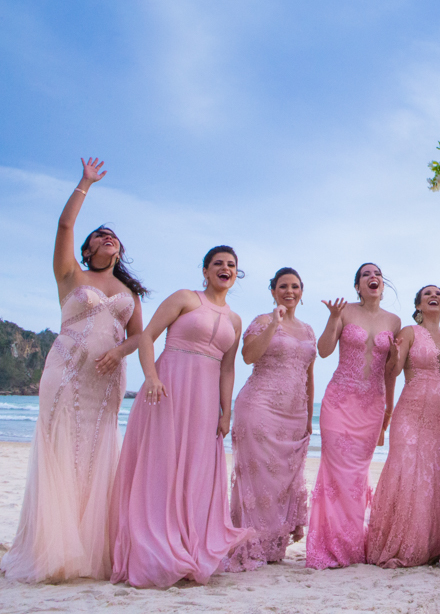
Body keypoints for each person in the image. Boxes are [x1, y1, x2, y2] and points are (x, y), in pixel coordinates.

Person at [1, 158, 146, 583]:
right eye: (101, 236)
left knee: (97, 454)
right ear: (87, 249)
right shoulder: (70, 274)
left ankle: (88, 547)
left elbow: (141, 336)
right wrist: (85, 183)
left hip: (105, 382)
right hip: (65, 372)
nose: (109, 239)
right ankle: (49, 546)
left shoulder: (128, 292)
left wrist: (119, 353)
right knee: (60, 449)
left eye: (114, 237)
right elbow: (64, 228)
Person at [108, 246, 250, 588]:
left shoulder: (235, 319)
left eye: (231, 265)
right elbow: (146, 337)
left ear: (236, 274)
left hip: (204, 401)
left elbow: (228, 368)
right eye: (218, 263)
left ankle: (188, 545)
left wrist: (225, 411)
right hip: (168, 389)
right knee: (161, 466)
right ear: (205, 270)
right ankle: (155, 547)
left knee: (196, 471)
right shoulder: (185, 298)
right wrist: (151, 378)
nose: (225, 268)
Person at [306, 263, 400, 569]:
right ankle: (328, 545)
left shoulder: (395, 321)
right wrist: (333, 319)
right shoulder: (345, 312)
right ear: (358, 286)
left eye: (377, 275)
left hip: (372, 405)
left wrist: (387, 414)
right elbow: (323, 351)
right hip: (339, 401)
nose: (373, 278)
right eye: (365, 275)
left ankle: (351, 543)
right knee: (336, 474)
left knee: (358, 477)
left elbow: (390, 373)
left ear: (383, 286)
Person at [224, 268, 316, 571]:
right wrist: (274, 323)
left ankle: (273, 544)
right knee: (258, 479)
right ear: (273, 291)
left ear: (301, 292)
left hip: (294, 414)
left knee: (282, 482)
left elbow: (308, 374)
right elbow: (249, 356)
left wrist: (308, 416)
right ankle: (250, 541)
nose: (289, 291)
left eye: (295, 286)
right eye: (283, 286)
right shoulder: (263, 321)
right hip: (259, 407)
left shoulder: (308, 330)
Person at [367, 285, 440, 567]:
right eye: (427, 294)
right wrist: (395, 358)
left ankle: (431, 546)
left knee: (435, 477)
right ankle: (399, 544)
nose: (434, 296)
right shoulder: (408, 332)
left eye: (439, 294)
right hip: (409, 414)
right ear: (419, 305)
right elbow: (392, 372)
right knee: (406, 472)